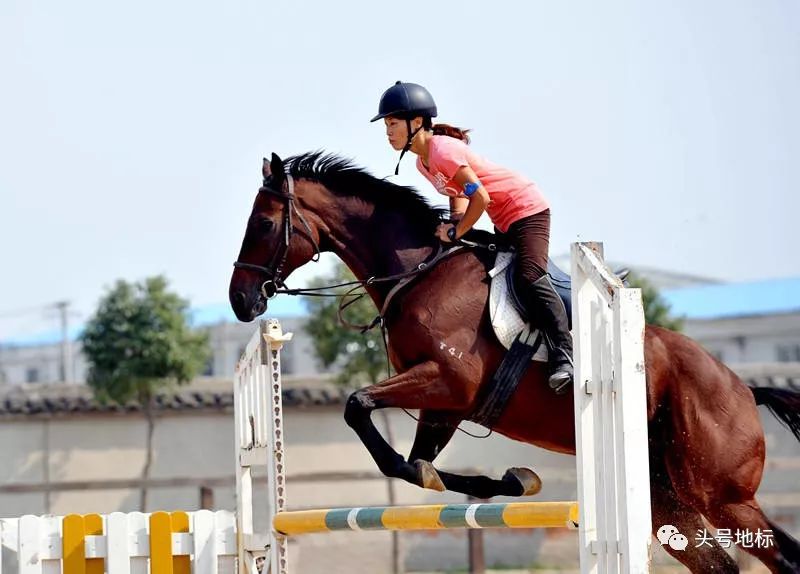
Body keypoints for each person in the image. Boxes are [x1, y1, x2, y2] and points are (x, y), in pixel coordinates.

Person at [370, 81, 573, 393]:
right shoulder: (423, 162)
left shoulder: (442, 151)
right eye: (386, 125)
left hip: (526, 209)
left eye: (393, 124)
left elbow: (480, 198)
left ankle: (564, 355)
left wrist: (457, 230)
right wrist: (455, 223)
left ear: (417, 122)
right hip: (503, 218)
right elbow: (458, 193)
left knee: (529, 276)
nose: (388, 132)